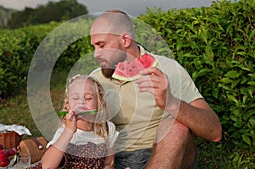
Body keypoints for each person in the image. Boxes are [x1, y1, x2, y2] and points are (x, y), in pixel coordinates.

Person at [89, 10, 222, 169]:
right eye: (94, 47)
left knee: (177, 128)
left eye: (101, 45)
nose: (96, 54)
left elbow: (214, 132)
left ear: (125, 40)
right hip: (114, 159)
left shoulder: (169, 70)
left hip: (163, 155)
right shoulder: (94, 79)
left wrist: (170, 102)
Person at [41, 75, 119, 169]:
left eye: (88, 98)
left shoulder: (108, 128)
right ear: (67, 105)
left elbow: (108, 165)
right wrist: (69, 131)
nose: (81, 102)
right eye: (75, 98)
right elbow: (47, 166)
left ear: (99, 103)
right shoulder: (64, 133)